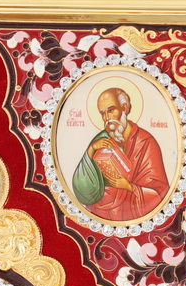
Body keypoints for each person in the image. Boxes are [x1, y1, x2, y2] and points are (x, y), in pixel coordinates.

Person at [71, 87, 169, 222]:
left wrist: (128, 186)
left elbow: (160, 192)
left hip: (132, 213)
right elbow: (82, 188)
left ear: (124, 108)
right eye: (103, 113)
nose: (107, 118)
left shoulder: (146, 142)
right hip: (100, 212)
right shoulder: (101, 138)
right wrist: (91, 150)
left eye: (111, 110)